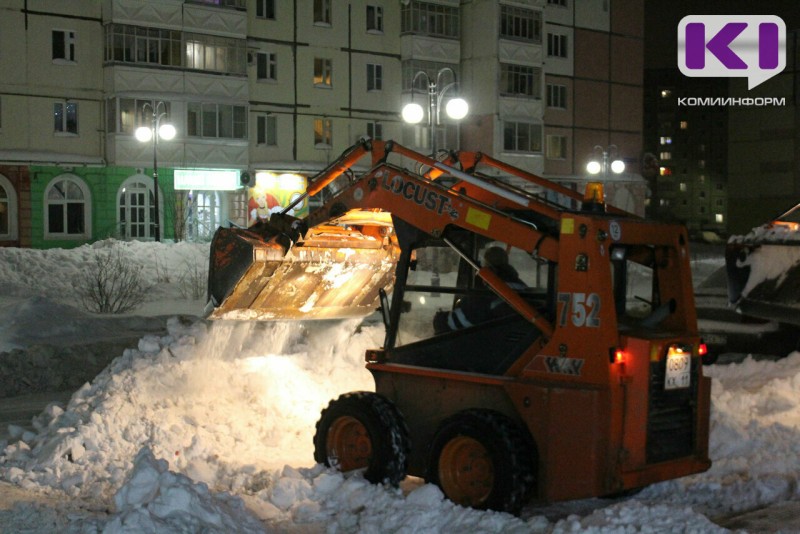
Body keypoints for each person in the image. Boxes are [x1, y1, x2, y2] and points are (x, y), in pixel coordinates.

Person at [434, 246, 526, 333]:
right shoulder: (520, 285)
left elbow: (462, 320)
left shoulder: (486, 288)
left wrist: (440, 319)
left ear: (487, 263)